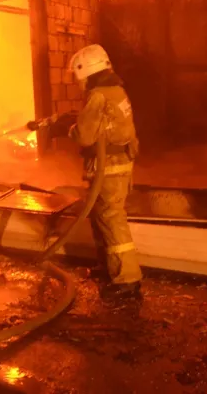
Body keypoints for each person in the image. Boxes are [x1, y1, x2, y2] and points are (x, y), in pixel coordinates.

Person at [68, 44, 143, 299]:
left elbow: (85, 136)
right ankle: (109, 268)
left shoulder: (98, 95)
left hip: (108, 167)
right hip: (116, 164)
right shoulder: (116, 90)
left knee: (111, 218)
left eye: (77, 76)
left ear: (86, 72)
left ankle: (127, 279)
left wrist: (69, 129)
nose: (77, 82)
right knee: (100, 217)